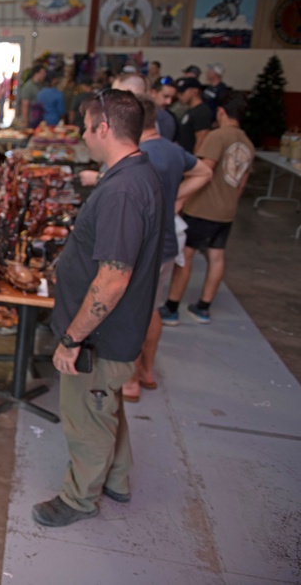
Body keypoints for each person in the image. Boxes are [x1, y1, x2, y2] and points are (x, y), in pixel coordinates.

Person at [32, 89, 164, 528]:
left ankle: (79, 499)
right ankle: (118, 479)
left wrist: (72, 338)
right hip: (118, 333)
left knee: (86, 418)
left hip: (99, 338)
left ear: (103, 129)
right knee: (106, 406)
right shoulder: (134, 174)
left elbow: (112, 278)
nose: (83, 136)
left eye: (86, 128)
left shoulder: (124, 191)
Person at [119, 96, 212, 403]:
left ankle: (130, 380)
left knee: (132, 312)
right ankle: (146, 372)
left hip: (144, 244)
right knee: (152, 308)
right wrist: (172, 199)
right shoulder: (172, 150)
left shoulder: (138, 155)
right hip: (168, 242)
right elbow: (204, 173)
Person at [160, 92, 254, 327]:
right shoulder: (248, 143)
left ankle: (171, 307)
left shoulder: (217, 136)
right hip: (227, 210)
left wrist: (180, 197)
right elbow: (241, 183)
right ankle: (204, 307)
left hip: (203, 208)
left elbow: (204, 170)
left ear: (221, 112)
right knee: (217, 255)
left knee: (186, 256)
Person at [173, 77, 213, 154]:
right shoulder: (190, 110)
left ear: (194, 91)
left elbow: (201, 140)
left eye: (182, 93)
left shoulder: (202, 111)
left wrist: (195, 162)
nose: (179, 96)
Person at [151, 76, 179, 142]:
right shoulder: (139, 114)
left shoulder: (171, 118)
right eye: (165, 96)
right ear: (153, 93)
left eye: (172, 98)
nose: (169, 102)